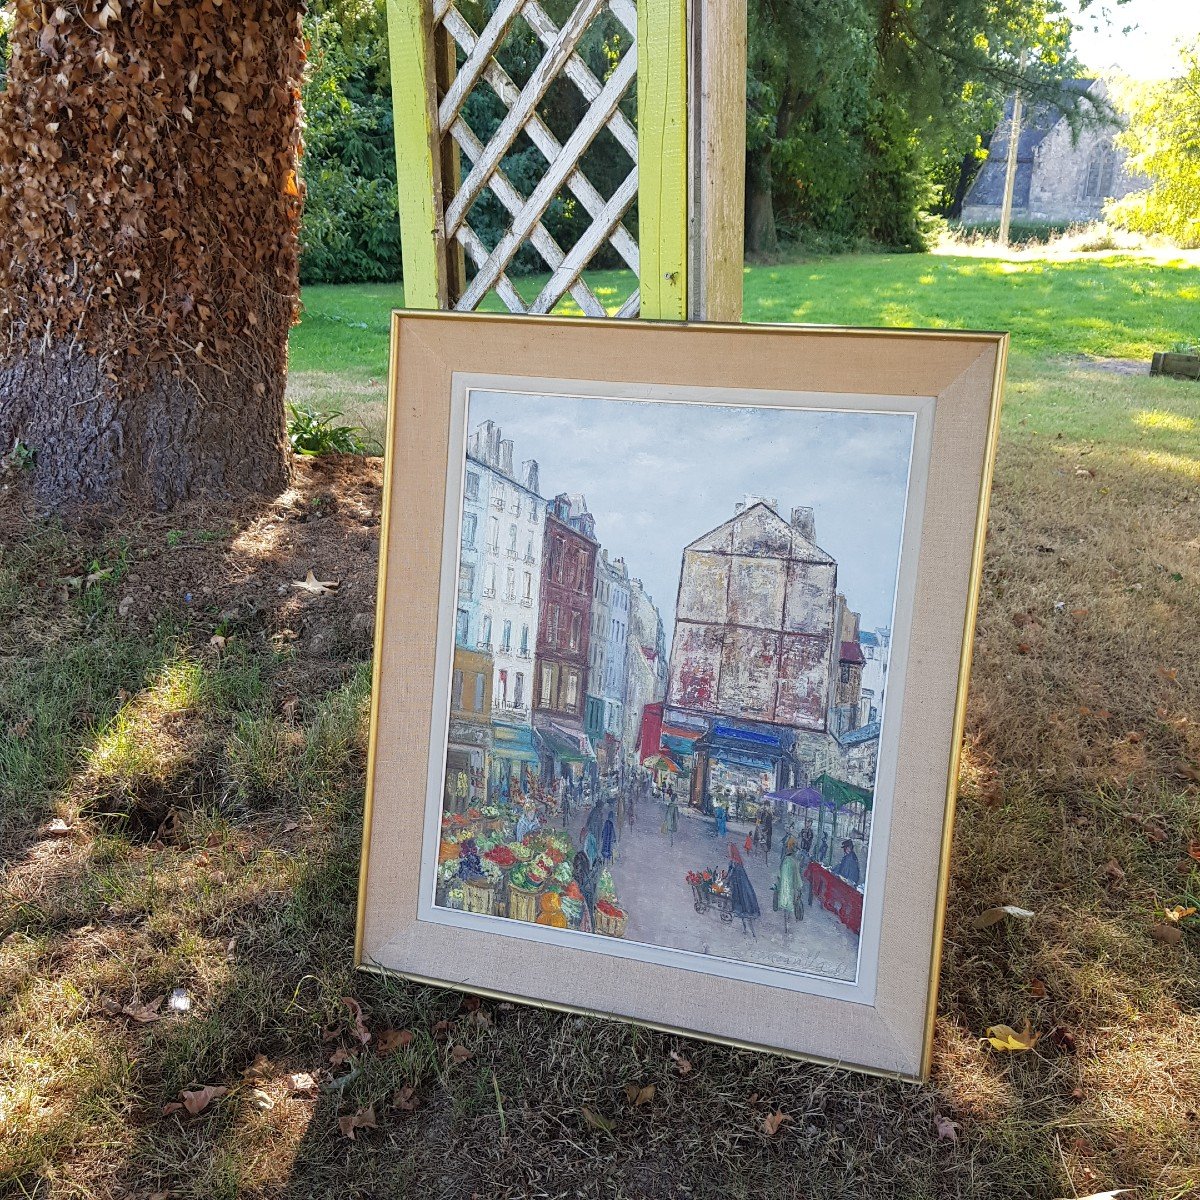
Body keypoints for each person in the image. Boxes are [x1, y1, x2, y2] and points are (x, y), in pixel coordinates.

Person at [726, 843, 761, 933]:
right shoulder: (737, 862)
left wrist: (725, 881)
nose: (728, 853)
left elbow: (730, 875)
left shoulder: (734, 863)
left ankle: (746, 924)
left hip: (738, 886)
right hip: (740, 884)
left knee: (741, 901)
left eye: (729, 851)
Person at [773, 842, 803, 923]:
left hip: (783, 887)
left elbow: (779, 875)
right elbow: (797, 877)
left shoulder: (784, 861)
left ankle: (784, 912)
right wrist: (800, 886)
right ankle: (789, 917)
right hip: (791, 888)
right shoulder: (794, 862)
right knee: (793, 898)